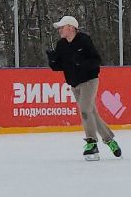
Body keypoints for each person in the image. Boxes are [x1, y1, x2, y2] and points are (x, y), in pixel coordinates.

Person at [47, 15, 121, 161]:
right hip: (74, 84)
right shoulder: (61, 45)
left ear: (71, 27)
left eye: (62, 27)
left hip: (89, 81)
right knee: (92, 113)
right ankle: (110, 140)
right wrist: (52, 60)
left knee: (85, 110)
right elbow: (59, 67)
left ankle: (91, 142)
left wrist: (81, 62)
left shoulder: (84, 40)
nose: (60, 30)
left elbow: (97, 60)